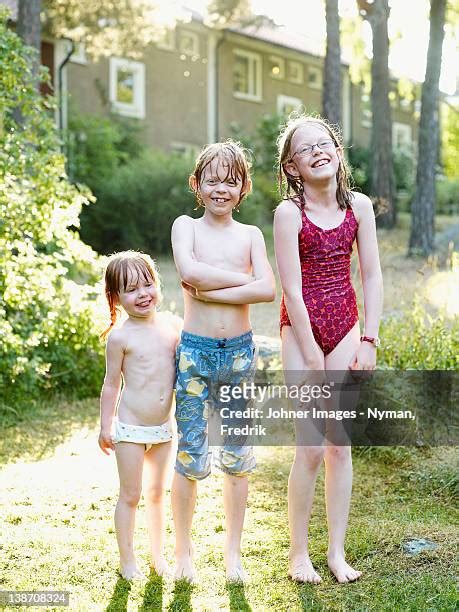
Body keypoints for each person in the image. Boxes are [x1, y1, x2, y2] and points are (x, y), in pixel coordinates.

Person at [274, 114, 383, 584]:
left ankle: (336, 554)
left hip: (345, 327)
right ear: (293, 167)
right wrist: (310, 354)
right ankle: (299, 554)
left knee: (339, 446)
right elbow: (291, 291)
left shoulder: (358, 206)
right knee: (311, 448)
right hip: (300, 329)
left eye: (325, 144)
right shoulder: (288, 213)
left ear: (337, 152)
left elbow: (372, 275)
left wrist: (369, 339)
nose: (319, 151)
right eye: (306, 148)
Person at [171, 140, 275, 583]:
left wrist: (218, 289)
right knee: (190, 453)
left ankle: (233, 555)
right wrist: (244, 280)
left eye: (230, 181)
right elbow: (189, 272)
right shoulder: (186, 227)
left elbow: (269, 290)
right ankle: (183, 554)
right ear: (197, 184)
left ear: (243, 187)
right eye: (212, 179)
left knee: (238, 456)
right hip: (194, 352)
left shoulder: (250, 235)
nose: (220, 189)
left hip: (238, 355)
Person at [98, 251, 181, 580]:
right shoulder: (121, 337)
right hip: (131, 429)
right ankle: (127, 559)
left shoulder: (174, 327)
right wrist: (106, 426)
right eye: (132, 289)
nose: (143, 293)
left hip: (164, 428)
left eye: (148, 284)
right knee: (130, 495)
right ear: (116, 298)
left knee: (158, 494)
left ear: (158, 285)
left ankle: (158, 556)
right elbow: (110, 385)